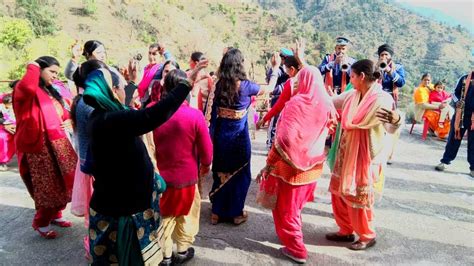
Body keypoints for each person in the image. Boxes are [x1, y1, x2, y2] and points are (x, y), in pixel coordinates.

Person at [84, 59, 208, 264]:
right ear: (114, 91)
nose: (125, 91)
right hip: (125, 215)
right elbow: (152, 115)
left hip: (119, 206)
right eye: (123, 87)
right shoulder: (112, 121)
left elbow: (125, 110)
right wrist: (186, 83)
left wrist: (132, 83)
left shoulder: (102, 117)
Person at [256, 63, 336, 264]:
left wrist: (269, 163)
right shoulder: (326, 103)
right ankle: (290, 235)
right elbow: (331, 128)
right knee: (295, 207)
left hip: (291, 168)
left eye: (299, 80)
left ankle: (296, 248)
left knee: (286, 210)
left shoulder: (297, 103)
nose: (297, 84)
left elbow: (284, 140)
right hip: (313, 168)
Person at [326, 59, 402, 250]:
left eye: (352, 76)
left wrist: (397, 118)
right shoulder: (352, 95)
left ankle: (367, 235)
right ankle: (345, 230)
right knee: (339, 193)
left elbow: (391, 128)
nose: (350, 79)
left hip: (365, 156)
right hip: (346, 151)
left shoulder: (383, 99)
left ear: (361, 76)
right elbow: (331, 102)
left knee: (358, 197)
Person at [205, 48, 279, 225]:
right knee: (240, 174)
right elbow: (270, 88)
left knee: (221, 171)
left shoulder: (217, 84)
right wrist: (275, 69)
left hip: (221, 135)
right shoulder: (246, 86)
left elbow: (211, 113)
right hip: (238, 137)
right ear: (240, 65)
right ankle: (236, 214)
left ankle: (216, 212)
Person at [151, 69, 213, 265]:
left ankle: (166, 256)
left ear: (165, 87)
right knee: (186, 216)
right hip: (187, 179)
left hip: (159, 179)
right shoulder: (194, 116)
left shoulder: (152, 110)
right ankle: (182, 251)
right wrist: (205, 166)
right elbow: (207, 152)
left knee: (164, 219)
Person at [13, 57, 78, 239]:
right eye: (51, 72)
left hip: (56, 145)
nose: (55, 76)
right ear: (39, 70)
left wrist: (67, 120)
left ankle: (55, 215)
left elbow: (63, 112)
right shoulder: (24, 90)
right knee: (48, 188)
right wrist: (33, 64)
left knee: (62, 183)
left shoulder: (48, 91)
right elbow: (28, 86)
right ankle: (40, 223)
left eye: (57, 73)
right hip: (38, 149)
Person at [69, 59, 107, 260]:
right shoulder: (88, 104)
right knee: (95, 211)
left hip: (88, 161)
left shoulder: (83, 100)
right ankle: (93, 248)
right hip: (93, 165)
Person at [435, 71, 474, 177]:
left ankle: (473, 168)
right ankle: (445, 161)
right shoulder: (464, 78)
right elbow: (455, 94)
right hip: (460, 114)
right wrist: (457, 102)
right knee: (453, 138)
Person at [257, 55, 301, 128]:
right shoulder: (307, 80)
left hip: (290, 122)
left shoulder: (291, 83)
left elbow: (278, 106)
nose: (286, 73)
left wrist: (264, 119)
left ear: (292, 69)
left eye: (286, 69)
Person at [265, 48, 292, 150]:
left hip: (287, 99)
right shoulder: (277, 70)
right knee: (274, 122)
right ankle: (270, 144)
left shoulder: (288, 69)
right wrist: (275, 67)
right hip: (277, 98)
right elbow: (271, 80)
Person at [413, 73, 450, 139]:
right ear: (422, 80)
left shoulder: (432, 86)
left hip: (433, 106)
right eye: (425, 80)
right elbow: (423, 105)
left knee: (446, 113)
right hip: (422, 110)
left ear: (431, 80)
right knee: (437, 114)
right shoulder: (419, 90)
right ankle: (440, 132)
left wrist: (445, 101)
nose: (427, 81)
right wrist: (438, 107)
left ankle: (440, 131)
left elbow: (441, 92)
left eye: (428, 80)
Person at [0, 92, 16, 171]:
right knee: (2, 137)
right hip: (4, 128)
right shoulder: (1, 109)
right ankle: (2, 161)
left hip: (19, 127)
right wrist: (5, 124)